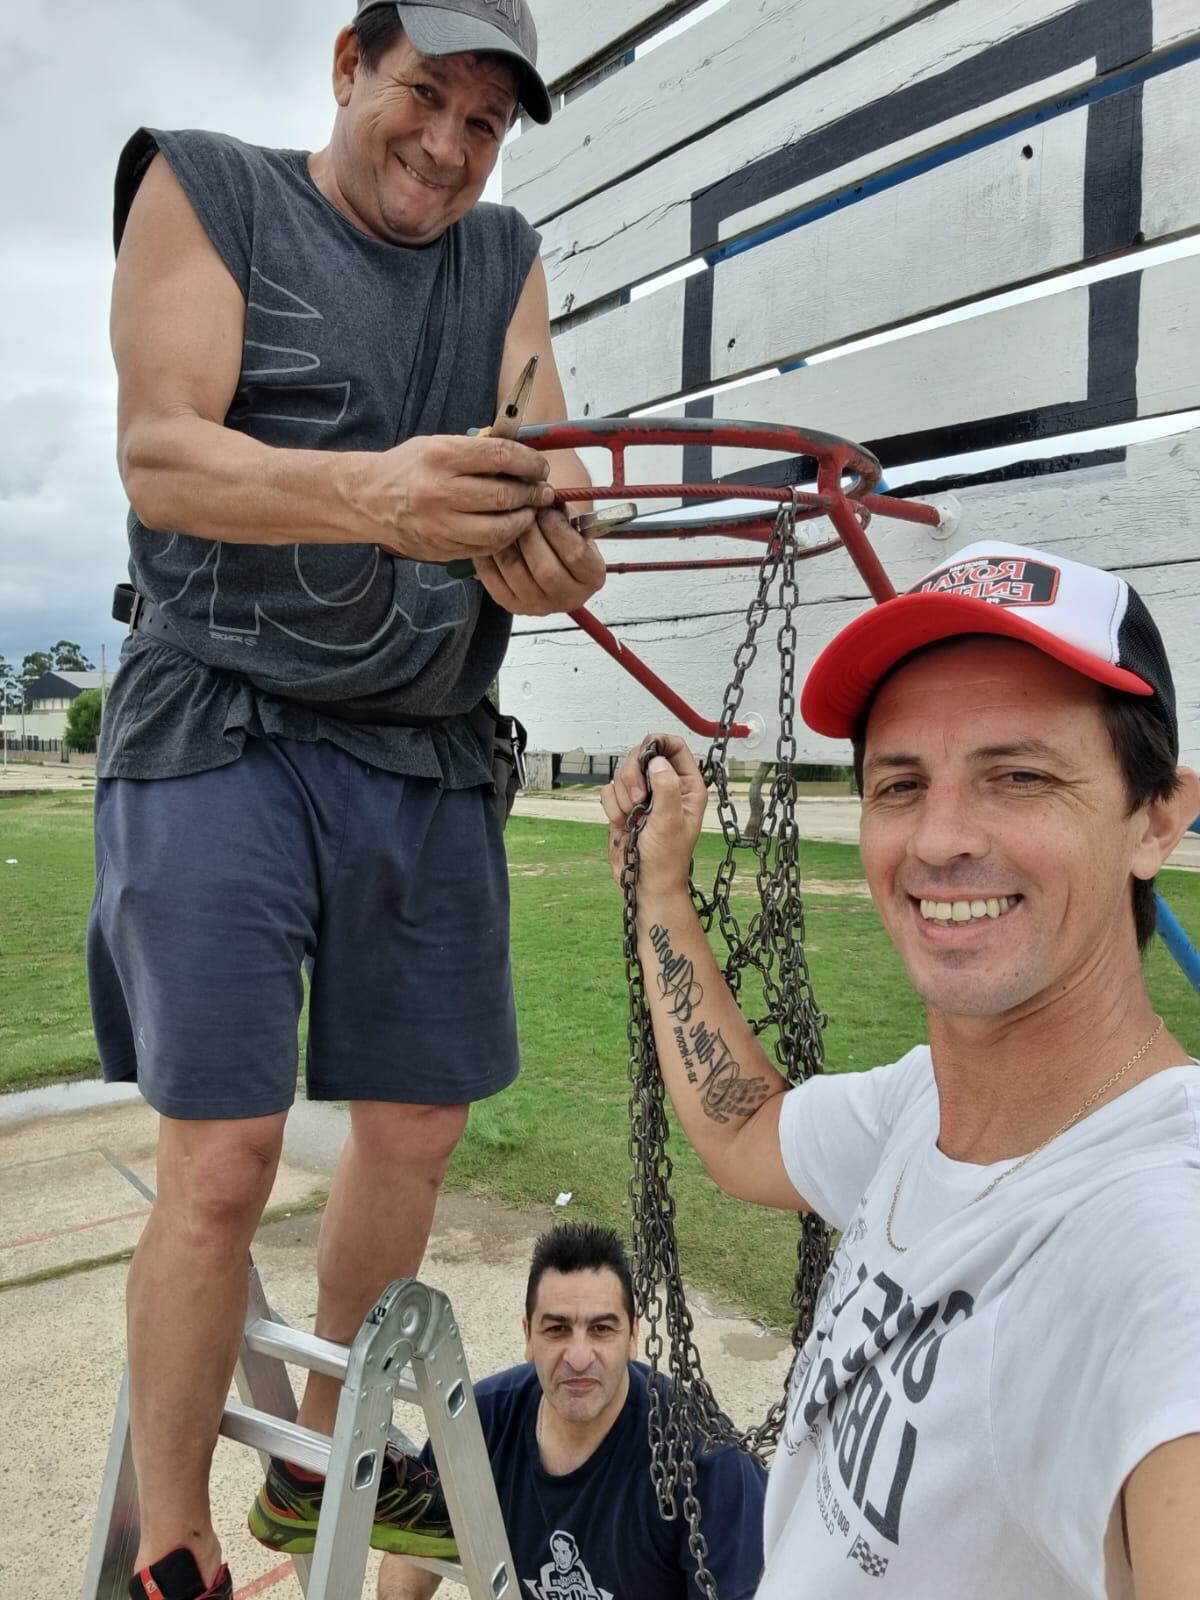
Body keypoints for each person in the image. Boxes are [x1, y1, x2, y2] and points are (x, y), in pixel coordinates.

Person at [88, 4, 606, 1597]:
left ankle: (324, 1463)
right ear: (348, 65)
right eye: (423, 98)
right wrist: (377, 491)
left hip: (426, 743)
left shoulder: (504, 253)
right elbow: (161, 454)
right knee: (226, 1154)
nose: (449, 149)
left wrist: (561, 546)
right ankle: (173, 1530)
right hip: (225, 722)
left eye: (486, 125)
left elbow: (555, 465)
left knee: (421, 1125)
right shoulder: (208, 189)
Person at [601, 541, 1200, 1598]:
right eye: (900, 783)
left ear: (1157, 816)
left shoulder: (1158, 1249)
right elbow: (745, 1130)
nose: (940, 837)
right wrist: (661, 891)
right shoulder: (921, 1107)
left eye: (1018, 775)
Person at [377, 1222, 768, 1600]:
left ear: (633, 1338)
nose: (579, 1358)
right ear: (528, 1336)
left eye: (601, 1329)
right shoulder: (482, 1421)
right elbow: (410, 1552)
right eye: (557, 1330)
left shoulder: (707, 1463)